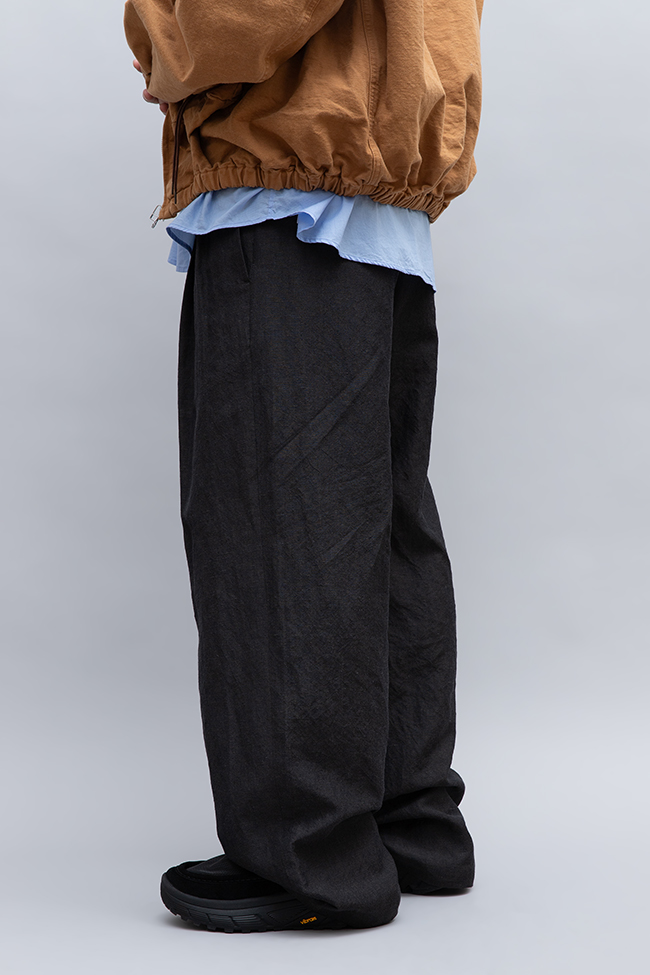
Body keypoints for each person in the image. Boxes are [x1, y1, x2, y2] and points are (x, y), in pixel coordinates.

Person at [124, 0, 484, 933]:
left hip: (289, 198)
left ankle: (309, 850)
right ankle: (407, 821)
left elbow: (233, 18)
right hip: (379, 204)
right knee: (379, 526)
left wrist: (157, 30)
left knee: (279, 527)